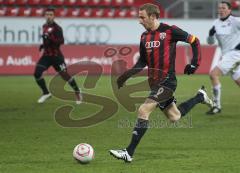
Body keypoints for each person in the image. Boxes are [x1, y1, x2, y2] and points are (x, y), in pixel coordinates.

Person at [109, 3, 213, 162]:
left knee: (143, 110)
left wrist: (194, 63)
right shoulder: (144, 37)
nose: (139, 21)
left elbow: (195, 41)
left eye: (142, 17)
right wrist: (125, 76)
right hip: (154, 84)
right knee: (175, 117)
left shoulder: (170, 31)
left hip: (167, 82)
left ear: (153, 16)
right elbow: (142, 62)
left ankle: (128, 153)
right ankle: (200, 97)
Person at [34, 8, 82, 104]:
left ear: (54, 16)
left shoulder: (57, 28)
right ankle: (46, 93)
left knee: (65, 76)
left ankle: (77, 91)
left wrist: (50, 38)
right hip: (46, 56)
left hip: (57, 57)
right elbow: (46, 40)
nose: (48, 16)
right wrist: (43, 45)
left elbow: (61, 41)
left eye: (50, 14)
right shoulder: (44, 26)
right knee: (37, 73)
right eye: (47, 14)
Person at [206, 1, 240, 115]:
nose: (221, 10)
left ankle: (216, 106)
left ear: (229, 10)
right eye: (219, 8)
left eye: (224, 8)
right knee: (238, 81)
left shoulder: (235, 21)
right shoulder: (216, 23)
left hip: (235, 54)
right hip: (226, 55)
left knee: (213, 74)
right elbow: (210, 43)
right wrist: (210, 35)